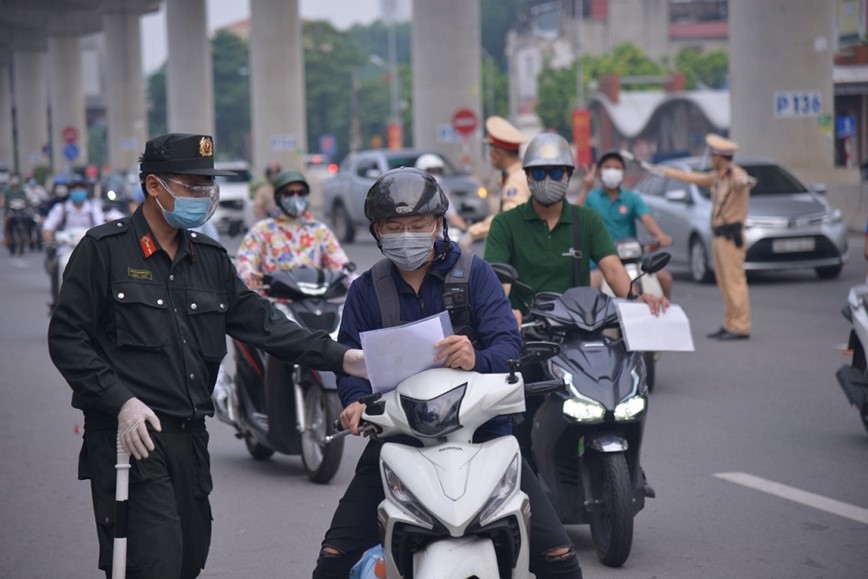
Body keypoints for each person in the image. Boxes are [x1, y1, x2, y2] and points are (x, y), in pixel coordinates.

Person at [47, 132, 367, 579]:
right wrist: (120, 402)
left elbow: (266, 324)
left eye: (207, 186)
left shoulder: (210, 259)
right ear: (154, 186)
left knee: (188, 560)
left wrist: (344, 358)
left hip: (191, 439)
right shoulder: (103, 251)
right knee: (152, 562)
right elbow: (67, 339)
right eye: (192, 185)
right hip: (132, 436)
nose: (204, 196)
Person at [313, 167, 583, 579]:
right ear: (377, 230)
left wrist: (477, 358)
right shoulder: (366, 290)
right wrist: (352, 401)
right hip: (399, 440)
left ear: (438, 223)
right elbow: (352, 361)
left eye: (418, 224)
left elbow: (509, 346)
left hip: (484, 436)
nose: (407, 234)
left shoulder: (476, 274)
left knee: (559, 559)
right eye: (395, 226)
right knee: (333, 559)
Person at [484, 132, 669, 326]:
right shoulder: (505, 224)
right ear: (528, 175)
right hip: (524, 330)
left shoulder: (586, 219)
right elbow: (496, 280)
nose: (547, 180)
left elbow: (613, 269)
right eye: (539, 173)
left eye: (556, 173)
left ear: (568, 174)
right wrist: (504, 312)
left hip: (577, 327)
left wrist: (636, 298)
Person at [643, 133, 755, 340]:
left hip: (731, 236)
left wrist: (744, 180)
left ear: (721, 156)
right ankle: (730, 323)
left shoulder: (736, 175)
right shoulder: (717, 177)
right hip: (719, 236)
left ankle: (741, 326)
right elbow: (692, 177)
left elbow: (742, 181)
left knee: (735, 282)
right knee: (724, 283)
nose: (711, 158)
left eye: (713, 155)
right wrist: (665, 172)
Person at [577, 150, 674, 298]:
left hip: (632, 258)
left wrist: (660, 236)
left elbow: (647, 219)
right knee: (590, 287)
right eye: (608, 167)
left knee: (665, 279)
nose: (612, 171)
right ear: (600, 172)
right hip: (600, 260)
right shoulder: (592, 197)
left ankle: (664, 318)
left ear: (623, 172)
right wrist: (585, 187)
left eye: (617, 168)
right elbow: (575, 216)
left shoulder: (631, 198)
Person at [236, 168, 347, 290]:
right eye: (289, 193)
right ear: (278, 197)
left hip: (315, 301)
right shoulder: (262, 230)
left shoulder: (319, 230)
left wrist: (354, 282)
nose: (295, 197)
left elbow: (340, 264)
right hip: (275, 303)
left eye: (301, 193)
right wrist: (249, 275)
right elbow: (245, 260)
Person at [460, 115, 529, 249]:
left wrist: (473, 232)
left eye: (491, 151)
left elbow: (509, 217)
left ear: (498, 153)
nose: (490, 156)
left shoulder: (515, 181)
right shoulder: (520, 175)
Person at [414, 152, 468, 232]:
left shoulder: (440, 194)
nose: (435, 174)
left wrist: (467, 230)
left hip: (440, 237)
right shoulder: (412, 195)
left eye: (438, 171)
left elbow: (453, 216)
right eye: (431, 171)